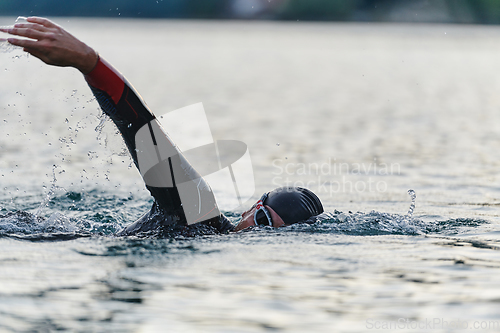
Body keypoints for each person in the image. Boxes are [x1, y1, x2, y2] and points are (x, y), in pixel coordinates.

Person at [0, 17, 324, 235]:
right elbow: (143, 131)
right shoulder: (200, 213)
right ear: (252, 209)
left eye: (275, 234)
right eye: (263, 221)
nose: (258, 236)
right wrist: (90, 62)